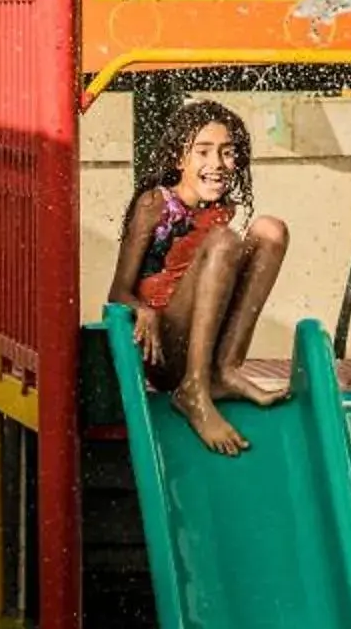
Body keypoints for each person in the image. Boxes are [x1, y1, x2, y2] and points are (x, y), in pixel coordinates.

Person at [108, 97, 290, 456]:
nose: (217, 164)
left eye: (227, 152)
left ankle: (224, 370)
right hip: (163, 349)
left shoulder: (219, 211)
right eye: (203, 152)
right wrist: (142, 311)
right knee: (224, 241)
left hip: (204, 347)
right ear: (179, 159)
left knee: (270, 229)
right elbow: (118, 292)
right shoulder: (155, 204)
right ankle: (193, 388)